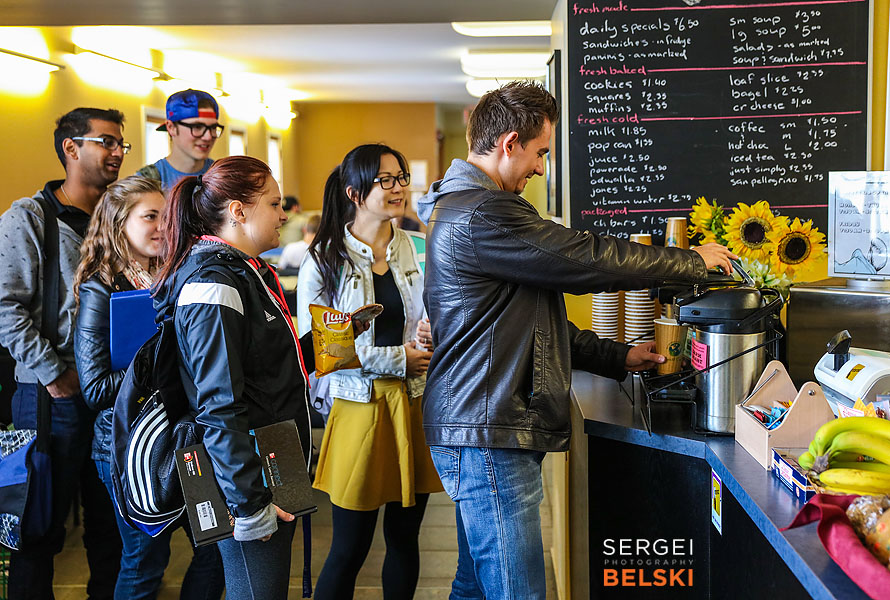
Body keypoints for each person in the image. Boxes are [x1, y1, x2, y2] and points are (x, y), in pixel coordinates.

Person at [416, 81, 737, 600]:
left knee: (474, 587)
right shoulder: (484, 213)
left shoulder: (470, 209)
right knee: (517, 593)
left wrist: (617, 355)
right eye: (541, 153)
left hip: (480, 423)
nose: (541, 168)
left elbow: (526, 323)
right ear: (510, 143)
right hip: (488, 431)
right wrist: (690, 261)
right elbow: (585, 258)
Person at [153, 156, 322, 599]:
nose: (284, 215)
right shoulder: (214, 284)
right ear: (238, 211)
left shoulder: (245, 272)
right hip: (249, 475)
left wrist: (326, 342)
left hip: (272, 461)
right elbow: (219, 405)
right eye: (275, 204)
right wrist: (249, 505)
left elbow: (263, 368)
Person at [297, 144, 443, 600]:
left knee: (405, 538)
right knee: (350, 546)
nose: (398, 188)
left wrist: (434, 331)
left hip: (413, 403)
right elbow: (323, 350)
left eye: (401, 177)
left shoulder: (419, 248)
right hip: (357, 408)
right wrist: (399, 357)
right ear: (354, 192)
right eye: (386, 180)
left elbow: (439, 315)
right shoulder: (324, 259)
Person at [72, 175, 226, 600]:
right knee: (144, 563)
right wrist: (158, 365)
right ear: (118, 223)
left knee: (217, 549)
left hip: (187, 438)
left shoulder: (175, 276)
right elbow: (96, 389)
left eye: (166, 215)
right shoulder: (101, 288)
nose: (162, 225)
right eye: (149, 216)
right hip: (129, 447)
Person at [0, 107, 127, 600]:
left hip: (112, 395)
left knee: (111, 524)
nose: (117, 152)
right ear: (71, 148)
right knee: (39, 527)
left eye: (121, 144)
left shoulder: (119, 218)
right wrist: (55, 375)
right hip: (51, 397)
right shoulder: (28, 218)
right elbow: (5, 307)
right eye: (106, 142)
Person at [136, 89, 222, 192]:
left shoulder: (222, 177)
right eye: (197, 127)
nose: (208, 137)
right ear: (171, 127)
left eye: (213, 128)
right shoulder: (147, 181)